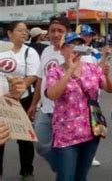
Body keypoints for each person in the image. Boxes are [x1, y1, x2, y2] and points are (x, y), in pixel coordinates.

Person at [45, 32, 112, 181]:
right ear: (62, 49)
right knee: (66, 177)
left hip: (91, 130)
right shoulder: (55, 71)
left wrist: (107, 75)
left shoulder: (92, 68)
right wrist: (69, 70)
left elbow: (111, 88)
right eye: (71, 45)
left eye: (80, 45)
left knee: (81, 176)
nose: (76, 49)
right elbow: (52, 95)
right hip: (66, 135)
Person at [29, 15, 70, 171]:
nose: (55, 34)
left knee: (66, 149)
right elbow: (41, 79)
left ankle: (67, 170)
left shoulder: (73, 52)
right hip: (46, 110)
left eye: (60, 30)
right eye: (52, 30)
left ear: (68, 32)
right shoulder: (46, 50)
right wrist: (34, 104)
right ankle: (62, 168)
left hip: (67, 112)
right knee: (40, 144)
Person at [0, 21, 40, 180]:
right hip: (0, 101)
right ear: (9, 33)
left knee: (24, 138)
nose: (24, 33)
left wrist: (16, 91)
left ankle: (27, 171)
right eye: (20, 30)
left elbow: (32, 76)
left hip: (21, 100)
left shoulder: (29, 52)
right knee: (1, 138)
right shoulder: (1, 49)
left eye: (26, 31)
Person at [79, 24, 105, 167]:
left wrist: (105, 57)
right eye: (84, 34)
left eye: (89, 35)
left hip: (93, 96)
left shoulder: (94, 52)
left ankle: (90, 156)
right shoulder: (73, 51)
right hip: (75, 96)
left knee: (92, 124)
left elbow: (100, 68)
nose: (87, 37)